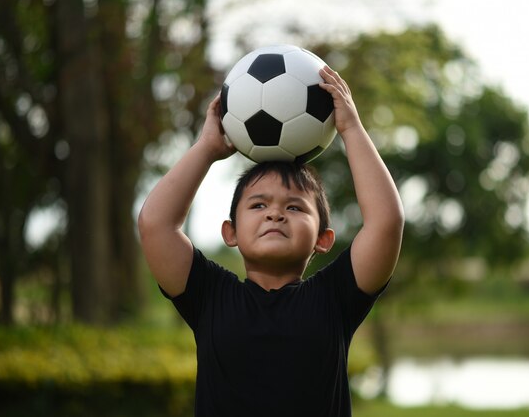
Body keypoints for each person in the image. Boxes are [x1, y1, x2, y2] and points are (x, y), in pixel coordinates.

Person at [138, 65, 404, 417]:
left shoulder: (335, 298)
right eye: (259, 204)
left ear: (323, 239)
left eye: (294, 207)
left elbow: (386, 223)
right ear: (230, 232)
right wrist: (206, 148)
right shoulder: (210, 296)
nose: (274, 214)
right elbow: (155, 224)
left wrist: (351, 129)